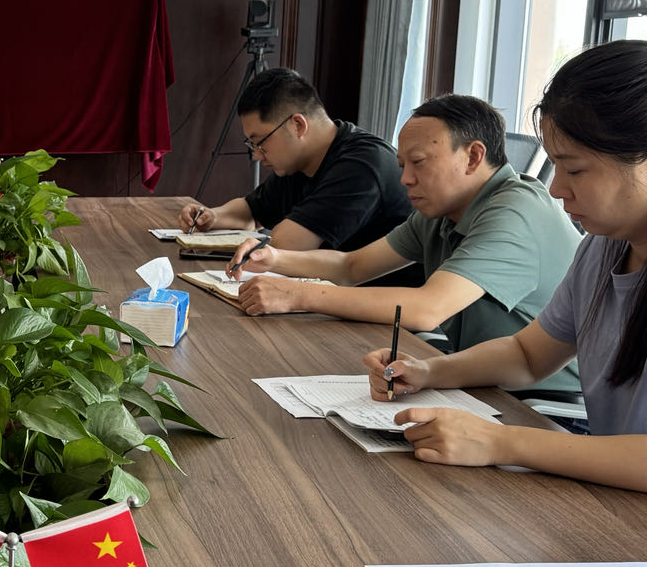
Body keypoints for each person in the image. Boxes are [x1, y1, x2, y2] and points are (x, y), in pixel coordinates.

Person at [363, 43, 647, 567]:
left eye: (573, 170)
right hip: (634, 516)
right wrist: (429, 372)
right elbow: (528, 355)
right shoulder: (607, 246)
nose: (556, 189)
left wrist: (501, 441)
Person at [232, 94, 581, 394]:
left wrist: (297, 295)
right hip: (478, 379)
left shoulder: (515, 211)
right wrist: (275, 258)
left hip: (544, 404)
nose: (405, 179)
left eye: (418, 162)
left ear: (473, 157)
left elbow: (427, 309)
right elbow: (352, 267)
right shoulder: (441, 210)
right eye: (402, 165)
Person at [178, 69, 418, 286]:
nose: (257, 155)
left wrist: (261, 245)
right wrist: (212, 216)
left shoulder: (361, 165)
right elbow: (251, 212)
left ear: (298, 125)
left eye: (260, 142)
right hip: (332, 294)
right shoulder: (298, 161)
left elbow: (286, 246)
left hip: (384, 306)